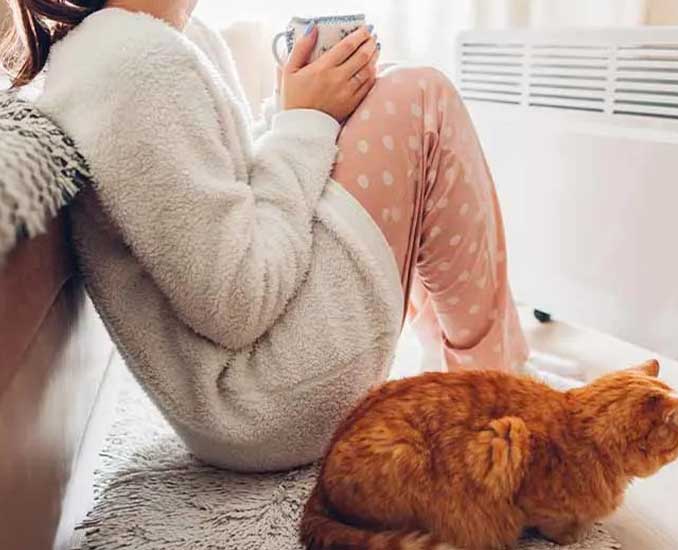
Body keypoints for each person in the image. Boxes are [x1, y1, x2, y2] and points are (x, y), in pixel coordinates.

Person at [1, 0, 529, 471]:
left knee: (392, 88)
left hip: (259, 385)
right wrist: (304, 121)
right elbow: (238, 303)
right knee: (420, 95)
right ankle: (505, 417)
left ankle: (478, 387)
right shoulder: (134, 67)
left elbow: (235, 196)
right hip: (262, 400)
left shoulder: (166, 40)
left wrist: (297, 109)